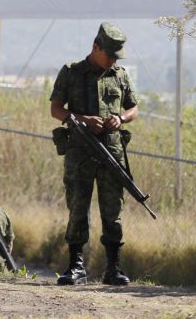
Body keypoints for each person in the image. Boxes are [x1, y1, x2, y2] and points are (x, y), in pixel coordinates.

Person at [50, 22, 139, 286]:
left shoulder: (120, 75)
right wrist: (81, 119)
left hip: (112, 154)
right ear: (95, 47)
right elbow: (56, 109)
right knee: (78, 208)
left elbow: (134, 108)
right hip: (80, 152)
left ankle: (113, 268)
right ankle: (76, 266)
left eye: (116, 57)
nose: (112, 60)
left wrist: (120, 118)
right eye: (109, 55)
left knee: (113, 211)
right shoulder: (71, 73)